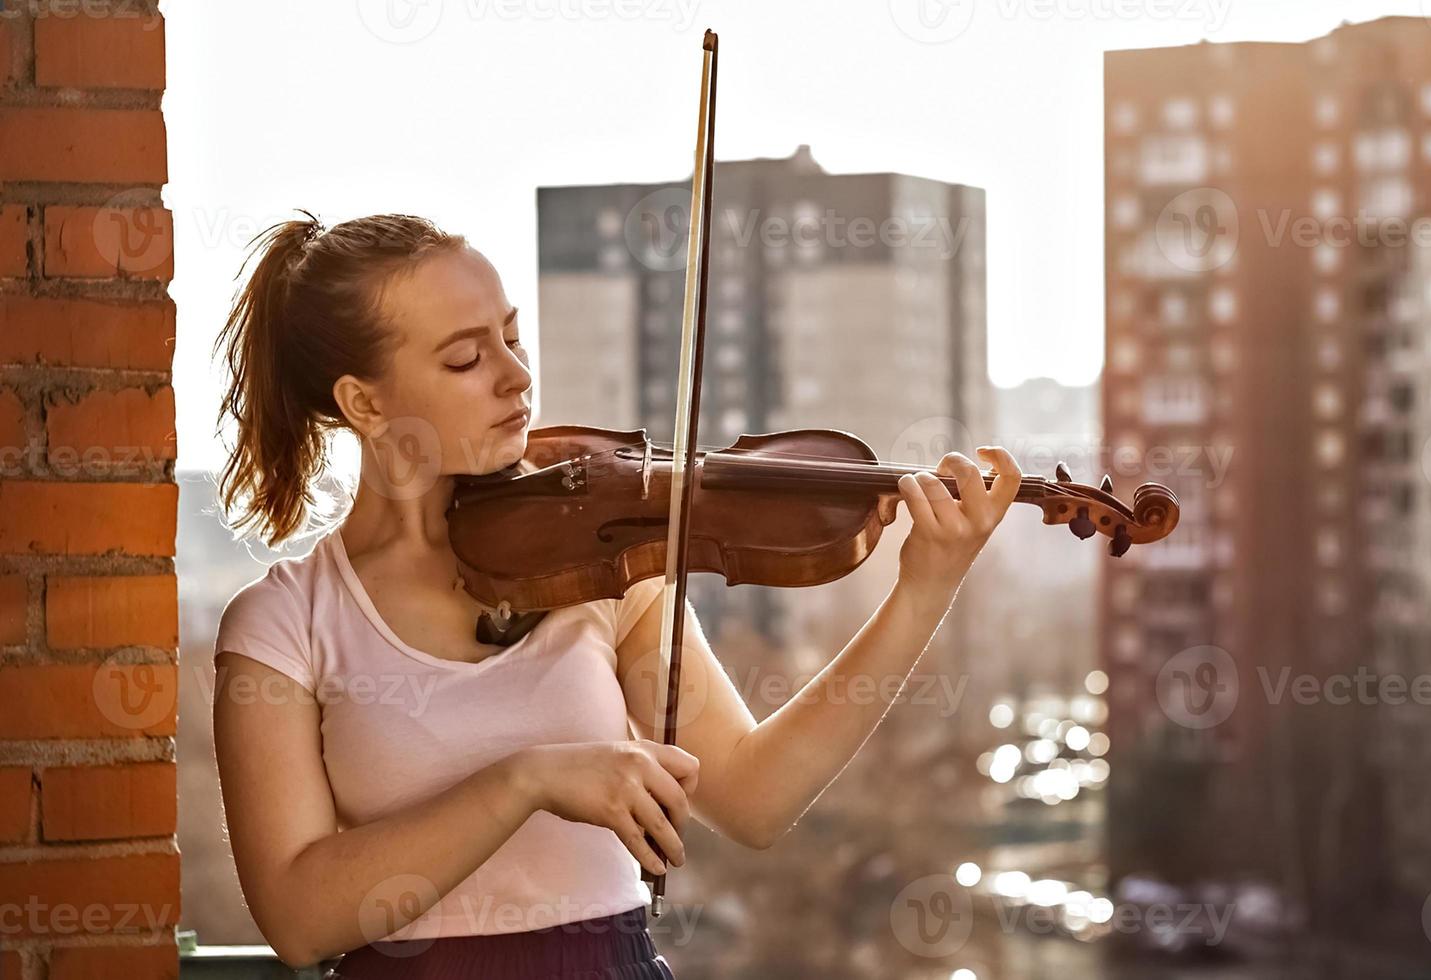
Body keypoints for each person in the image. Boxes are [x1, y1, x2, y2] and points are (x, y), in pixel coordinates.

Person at [210, 210, 1021, 979]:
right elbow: (297, 916)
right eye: (466, 359)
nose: (516, 376)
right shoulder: (286, 623)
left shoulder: (598, 562)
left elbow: (754, 797)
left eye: (513, 336)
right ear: (365, 402)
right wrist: (525, 780)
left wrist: (924, 588)